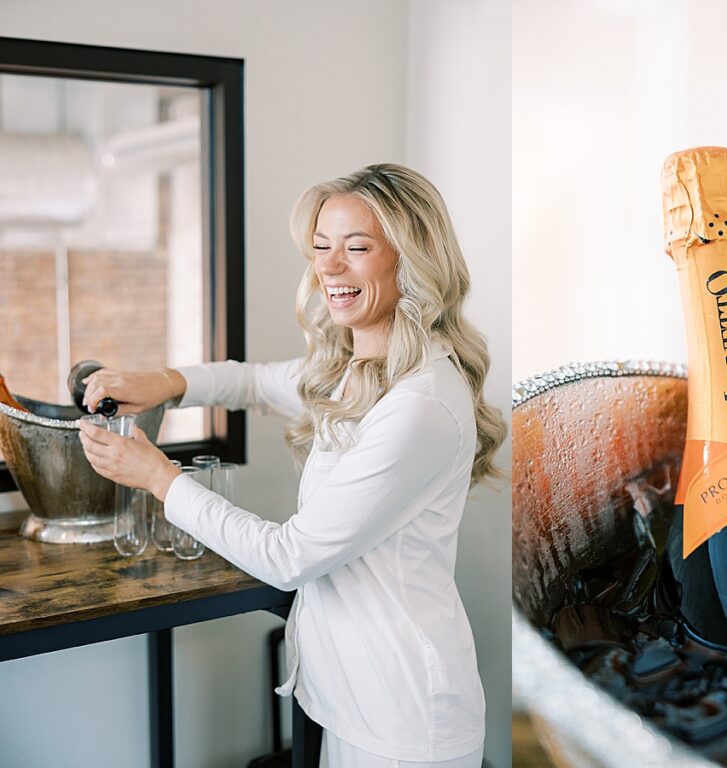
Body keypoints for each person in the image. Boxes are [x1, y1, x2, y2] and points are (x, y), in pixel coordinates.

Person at [78, 163, 506, 768]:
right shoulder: (355, 369)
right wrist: (164, 383)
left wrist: (158, 477)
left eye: (356, 248)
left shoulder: (421, 405)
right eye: (321, 248)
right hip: (352, 704)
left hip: (406, 723)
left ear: (411, 260)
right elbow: (253, 382)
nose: (329, 267)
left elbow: (288, 558)